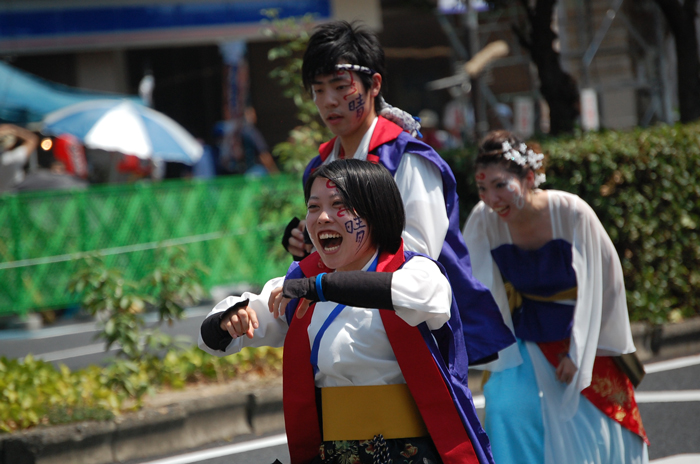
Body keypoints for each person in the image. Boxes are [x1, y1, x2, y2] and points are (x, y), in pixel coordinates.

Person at [200, 159, 495, 464]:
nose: (322, 217)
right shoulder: (300, 283)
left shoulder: (417, 271)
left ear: (376, 211)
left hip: (411, 454)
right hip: (336, 455)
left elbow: (419, 296)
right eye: (313, 207)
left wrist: (320, 287)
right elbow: (216, 337)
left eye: (338, 204)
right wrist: (228, 321)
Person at [281, 20, 514, 366]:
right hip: (346, 330)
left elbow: (418, 253)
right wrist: (308, 243)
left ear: (374, 84)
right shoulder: (320, 166)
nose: (328, 101)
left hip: (414, 330)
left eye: (340, 86)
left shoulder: (407, 158)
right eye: (317, 90)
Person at [462, 130, 649, 464]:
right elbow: (475, 288)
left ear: (530, 178)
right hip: (525, 328)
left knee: (585, 423)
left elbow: (603, 288)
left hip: (586, 329)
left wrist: (579, 353)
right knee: (506, 407)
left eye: (501, 185)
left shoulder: (571, 212)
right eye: (482, 188)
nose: (491, 198)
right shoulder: (483, 220)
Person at [0, 123, 38, 192]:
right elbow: (32, 140)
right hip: (12, 197)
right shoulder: (12, 158)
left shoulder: (10, 157)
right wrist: (15, 130)